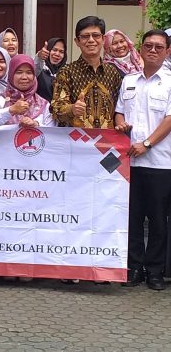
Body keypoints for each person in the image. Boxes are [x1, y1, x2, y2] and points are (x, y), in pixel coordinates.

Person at [114, 30, 171, 291]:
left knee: (158, 220)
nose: (153, 50)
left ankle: (155, 271)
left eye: (159, 47)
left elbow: (169, 120)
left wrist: (146, 144)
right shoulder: (129, 80)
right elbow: (119, 112)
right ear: (140, 49)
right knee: (133, 218)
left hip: (160, 163)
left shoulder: (169, 82)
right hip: (130, 162)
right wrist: (120, 124)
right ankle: (134, 268)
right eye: (148, 46)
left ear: (167, 51)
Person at [51, 16, 122, 129]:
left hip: (106, 139)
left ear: (103, 39)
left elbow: (121, 108)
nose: (91, 40)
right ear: (77, 42)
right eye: (85, 36)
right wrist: (72, 109)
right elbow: (55, 110)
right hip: (76, 138)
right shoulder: (66, 73)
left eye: (96, 35)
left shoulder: (112, 73)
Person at [0, 54, 55, 130]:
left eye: (29, 72)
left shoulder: (43, 104)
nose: (24, 77)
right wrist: (11, 110)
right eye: (19, 72)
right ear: (11, 75)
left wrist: (36, 124)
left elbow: (53, 131)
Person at [36, 38, 67, 102]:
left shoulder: (66, 72)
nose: (57, 54)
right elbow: (34, 68)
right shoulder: (40, 70)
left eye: (61, 52)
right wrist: (39, 57)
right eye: (54, 50)